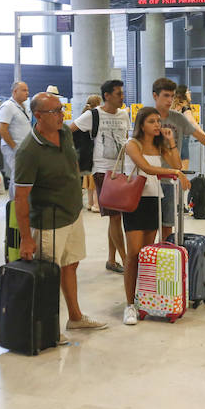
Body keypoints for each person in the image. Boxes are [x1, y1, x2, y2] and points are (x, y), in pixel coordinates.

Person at [15, 92, 108, 336]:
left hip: (72, 214)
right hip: (49, 221)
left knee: (71, 264)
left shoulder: (65, 132)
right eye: (54, 111)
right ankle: (45, 329)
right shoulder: (28, 150)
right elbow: (20, 198)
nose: (61, 115)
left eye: (61, 109)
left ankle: (75, 318)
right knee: (48, 276)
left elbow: (72, 164)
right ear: (37, 116)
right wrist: (26, 238)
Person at [120, 107, 190, 325]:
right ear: (141, 125)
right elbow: (146, 168)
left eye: (159, 121)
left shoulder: (159, 145)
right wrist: (176, 173)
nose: (157, 125)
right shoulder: (133, 144)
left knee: (145, 255)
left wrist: (171, 142)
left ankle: (143, 298)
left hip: (153, 201)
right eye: (152, 121)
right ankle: (129, 304)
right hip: (134, 202)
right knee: (133, 255)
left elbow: (177, 164)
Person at [153, 78, 205, 241]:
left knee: (167, 226)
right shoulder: (148, 117)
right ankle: (145, 264)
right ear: (155, 96)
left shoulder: (178, 118)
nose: (169, 100)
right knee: (147, 230)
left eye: (172, 96)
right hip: (150, 179)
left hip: (169, 180)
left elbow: (201, 137)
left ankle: (165, 262)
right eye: (166, 96)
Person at [70, 80, 130, 274]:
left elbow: (126, 139)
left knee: (115, 218)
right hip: (103, 171)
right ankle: (126, 259)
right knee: (115, 217)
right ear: (107, 96)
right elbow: (69, 131)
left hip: (122, 169)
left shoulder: (124, 115)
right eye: (118, 93)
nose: (122, 96)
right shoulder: (93, 115)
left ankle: (112, 260)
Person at [0, 81, 31, 199]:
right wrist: (15, 148)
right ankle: (14, 203)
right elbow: (2, 129)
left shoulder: (24, 107)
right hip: (13, 147)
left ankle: (21, 201)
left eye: (27, 90)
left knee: (22, 175)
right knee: (17, 175)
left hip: (23, 148)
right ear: (15, 91)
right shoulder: (7, 106)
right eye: (24, 90)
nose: (27, 93)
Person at [80, 94, 102, 212]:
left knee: (88, 178)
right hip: (94, 150)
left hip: (85, 151)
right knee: (95, 180)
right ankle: (96, 205)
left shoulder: (84, 114)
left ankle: (89, 203)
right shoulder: (95, 116)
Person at [171, 84, 200, 172]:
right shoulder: (185, 107)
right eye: (188, 91)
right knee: (183, 168)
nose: (190, 93)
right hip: (182, 139)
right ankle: (181, 185)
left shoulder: (172, 107)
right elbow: (192, 122)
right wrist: (203, 134)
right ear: (182, 94)